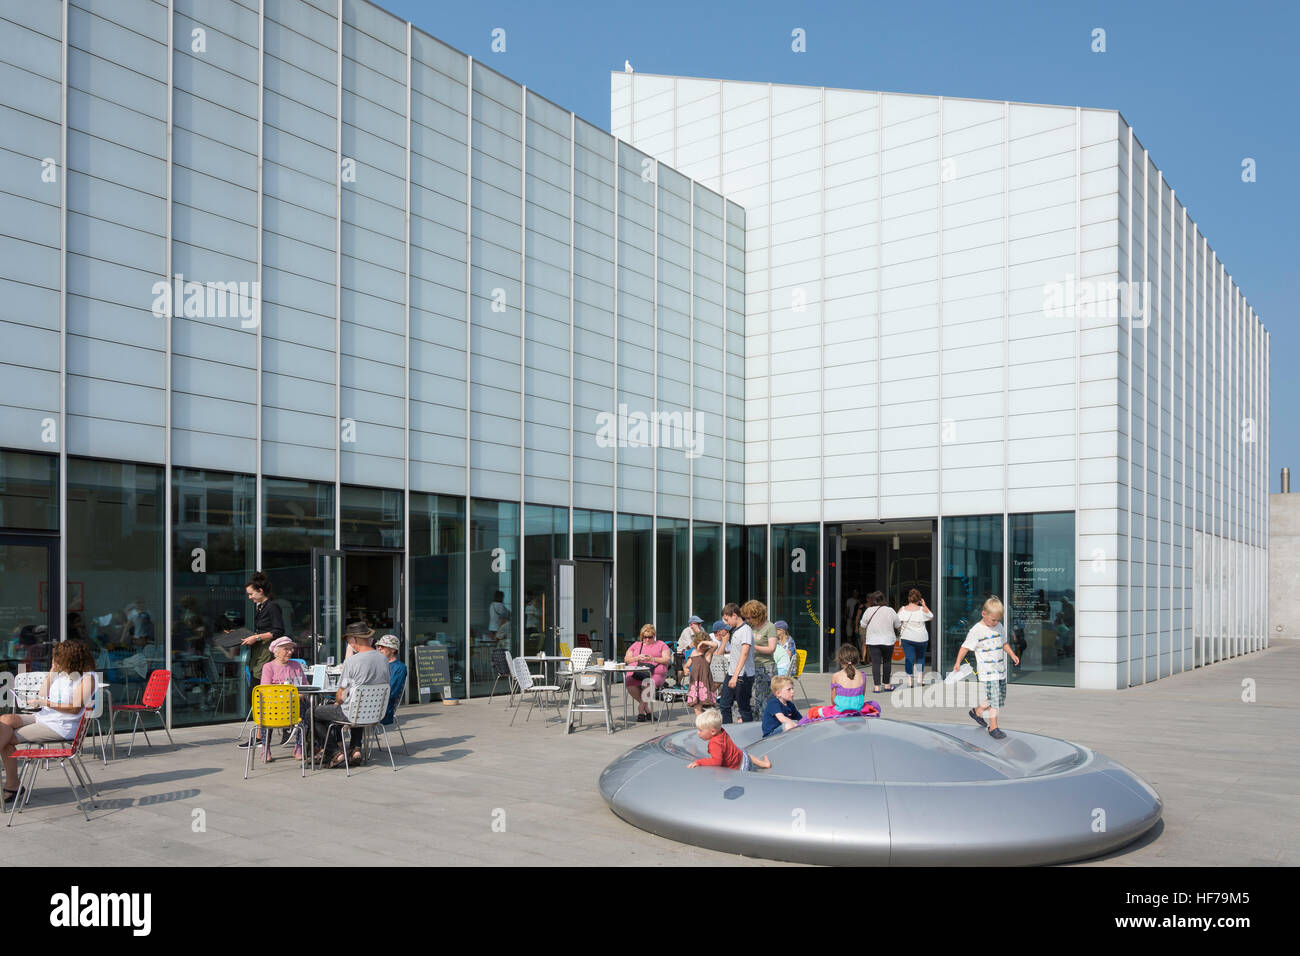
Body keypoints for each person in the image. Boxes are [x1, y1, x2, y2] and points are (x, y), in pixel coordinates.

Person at [0, 639, 97, 805]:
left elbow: (74, 709)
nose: (55, 661)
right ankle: (13, 785)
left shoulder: (87, 678)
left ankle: (13, 785)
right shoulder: (61, 674)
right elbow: (43, 693)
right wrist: (52, 672)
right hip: (45, 717)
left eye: (57, 659)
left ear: (70, 659)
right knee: (4, 720)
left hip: (61, 726)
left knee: (6, 739)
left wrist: (44, 703)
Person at [312, 622, 391, 768]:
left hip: (354, 712)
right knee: (359, 705)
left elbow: (342, 694)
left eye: (348, 640)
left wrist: (337, 703)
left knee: (311, 713)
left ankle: (335, 752)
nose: (348, 643)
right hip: (375, 712)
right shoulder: (383, 659)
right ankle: (355, 749)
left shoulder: (352, 661)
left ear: (354, 639)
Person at [954, 596, 1020, 740]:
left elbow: (1004, 643)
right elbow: (965, 647)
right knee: (995, 699)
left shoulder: (999, 626)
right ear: (984, 614)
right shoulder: (976, 630)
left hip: (1000, 670)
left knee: (998, 698)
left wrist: (1012, 655)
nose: (995, 623)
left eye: (997, 620)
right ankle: (993, 727)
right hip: (987, 672)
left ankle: (977, 712)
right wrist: (958, 662)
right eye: (993, 620)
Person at [258, 637, 306, 761]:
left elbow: (305, 686)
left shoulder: (296, 665)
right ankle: (265, 748)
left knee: (308, 711)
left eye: (291, 649)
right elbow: (265, 690)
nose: (290, 652)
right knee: (265, 714)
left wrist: (300, 694)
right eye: (286, 649)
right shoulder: (268, 667)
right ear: (276, 651)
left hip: (294, 706)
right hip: (275, 707)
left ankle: (298, 746)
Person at [686, 708, 771, 771]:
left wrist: (699, 762)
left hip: (739, 767)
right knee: (743, 752)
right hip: (742, 757)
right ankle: (764, 764)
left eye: (700, 730)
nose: (698, 733)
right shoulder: (722, 732)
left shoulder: (714, 743)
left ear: (712, 731)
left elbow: (716, 762)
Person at [804, 643, 869, 720]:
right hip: (857, 710)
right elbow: (862, 695)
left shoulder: (836, 676)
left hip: (839, 711)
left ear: (840, 659)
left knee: (813, 712)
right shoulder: (862, 676)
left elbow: (833, 700)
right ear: (857, 659)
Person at [242, 572, 284, 686]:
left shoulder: (272, 606)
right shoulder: (261, 606)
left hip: (266, 649)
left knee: (258, 682)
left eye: (251, 594)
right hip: (258, 649)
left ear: (260, 591)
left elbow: (278, 631)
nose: (250, 597)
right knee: (254, 679)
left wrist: (256, 637)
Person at [623, 624, 671, 722]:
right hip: (637, 672)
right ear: (642, 637)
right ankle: (648, 711)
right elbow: (627, 659)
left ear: (654, 636)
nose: (648, 639)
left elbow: (667, 660)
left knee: (648, 683)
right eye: (645, 637)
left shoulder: (661, 644)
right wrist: (637, 658)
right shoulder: (636, 645)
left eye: (650, 637)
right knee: (629, 682)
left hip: (655, 673)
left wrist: (652, 658)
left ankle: (641, 710)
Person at [718, 602, 754, 725]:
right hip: (732, 672)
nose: (726, 623)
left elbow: (744, 654)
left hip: (742, 675)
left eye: (726, 620)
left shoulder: (746, 630)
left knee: (743, 708)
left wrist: (735, 675)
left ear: (734, 615)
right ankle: (728, 732)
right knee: (724, 705)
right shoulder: (735, 631)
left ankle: (749, 734)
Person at [859, 590, 901, 693]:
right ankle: (887, 685)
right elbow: (898, 625)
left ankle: (877, 687)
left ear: (873, 600)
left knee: (875, 663)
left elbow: (863, 625)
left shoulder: (868, 610)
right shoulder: (890, 610)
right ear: (883, 599)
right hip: (888, 640)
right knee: (887, 662)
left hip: (873, 641)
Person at [745, 600, 779, 717]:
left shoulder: (770, 627)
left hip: (766, 668)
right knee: (753, 700)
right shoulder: (750, 627)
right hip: (752, 667)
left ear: (757, 615)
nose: (748, 620)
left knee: (765, 701)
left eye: (750, 618)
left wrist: (753, 647)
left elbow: (771, 648)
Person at [897, 589, 934, 687]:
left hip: (907, 638)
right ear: (919, 599)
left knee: (909, 658)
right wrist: (924, 605)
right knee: (920, 658)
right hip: (921, 638)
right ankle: (920, 680)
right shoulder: (922, 610)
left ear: (909, 598)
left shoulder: (903, 609)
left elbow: (896, 622)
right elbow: (931, 616)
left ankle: (910, 682)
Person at [685, 621, 722, 716]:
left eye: (705, 646)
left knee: (706, 705)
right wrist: (685, 669)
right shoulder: (693, 653)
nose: (702, 647)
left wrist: (703, 642)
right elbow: (687, 665)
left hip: (704, 682)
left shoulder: (707, 653)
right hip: (695, 682)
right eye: (700, 645)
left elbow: (715, 645)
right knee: (696, 706)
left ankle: (705, 721)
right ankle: (700, 725)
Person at [376, 634, 407, 727]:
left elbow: (391, 692)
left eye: (383, 646)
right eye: (378, 646)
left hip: (382, 708)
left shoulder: (400, 667)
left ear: (393, 649)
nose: (379, 648)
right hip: (369, 704)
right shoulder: (376, 663)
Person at [676, 615, 705, 682]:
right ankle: (679, 682)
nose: (699, 625)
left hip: (695, 652)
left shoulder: (701, 629)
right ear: (691, 625)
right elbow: (690, 646)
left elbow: (706, 640)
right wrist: (698, 633)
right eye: (697, 624)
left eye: (700, 623)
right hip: (682, 652)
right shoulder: (686, 631)